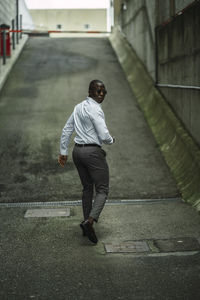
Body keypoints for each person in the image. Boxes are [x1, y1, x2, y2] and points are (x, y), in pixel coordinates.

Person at [58, 79, 115, 244]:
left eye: (104, 91)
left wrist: (63, 152)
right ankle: (89, 222)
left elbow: (68, 128)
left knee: (87, 188)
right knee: (103, 189)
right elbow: (104, 135)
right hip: (92, 153)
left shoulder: (78, 107)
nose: (102, 94)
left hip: (77, 152)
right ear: (90, 92)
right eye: (98, 91)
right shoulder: (95, 109)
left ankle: (85, 224)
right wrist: (111, 140)